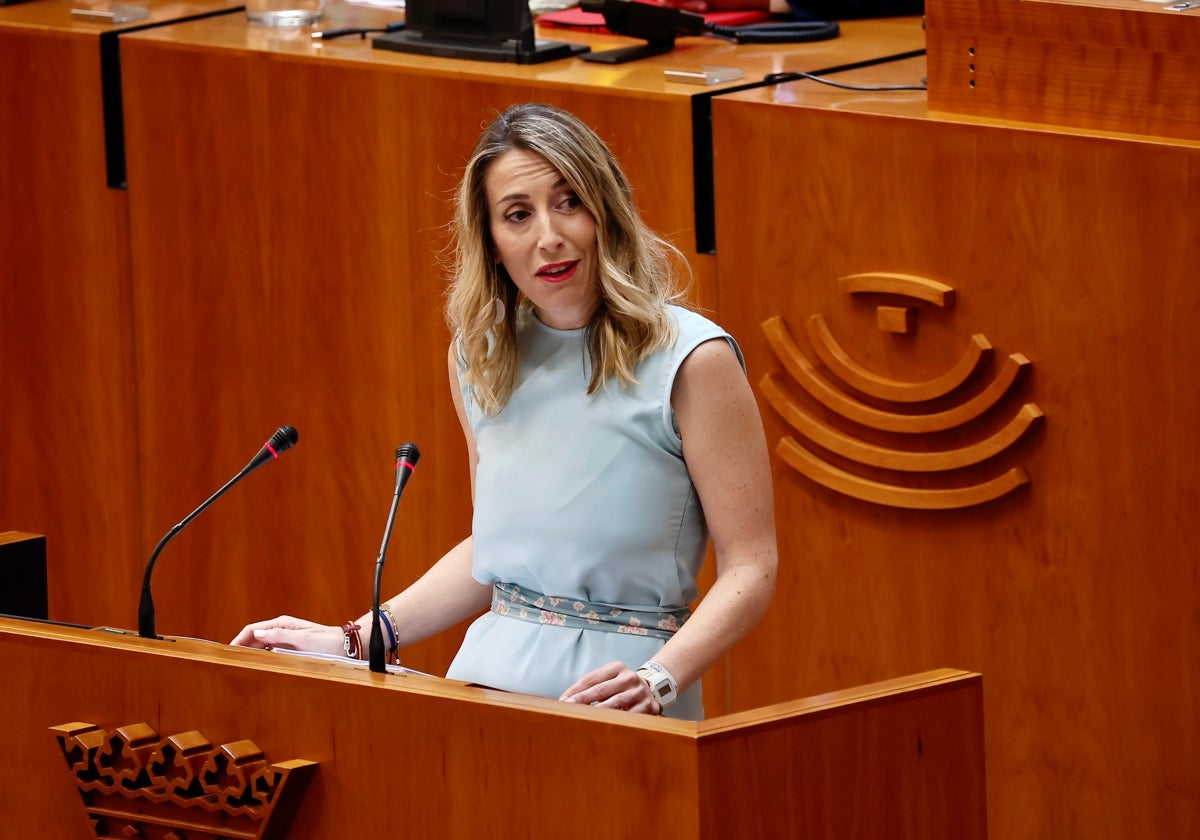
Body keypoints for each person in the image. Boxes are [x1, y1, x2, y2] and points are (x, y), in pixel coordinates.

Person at [231, 103, 777, 720]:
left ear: (607, 211)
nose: (549, 236)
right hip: (483, 692)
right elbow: (494, 553)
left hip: (626, 703)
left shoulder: (693, 359)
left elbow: (752, 567)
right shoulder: (480, 356)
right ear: (491, 241)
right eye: (518, 214)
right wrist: (355, 639)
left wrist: (660, 678)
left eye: (569, 201)